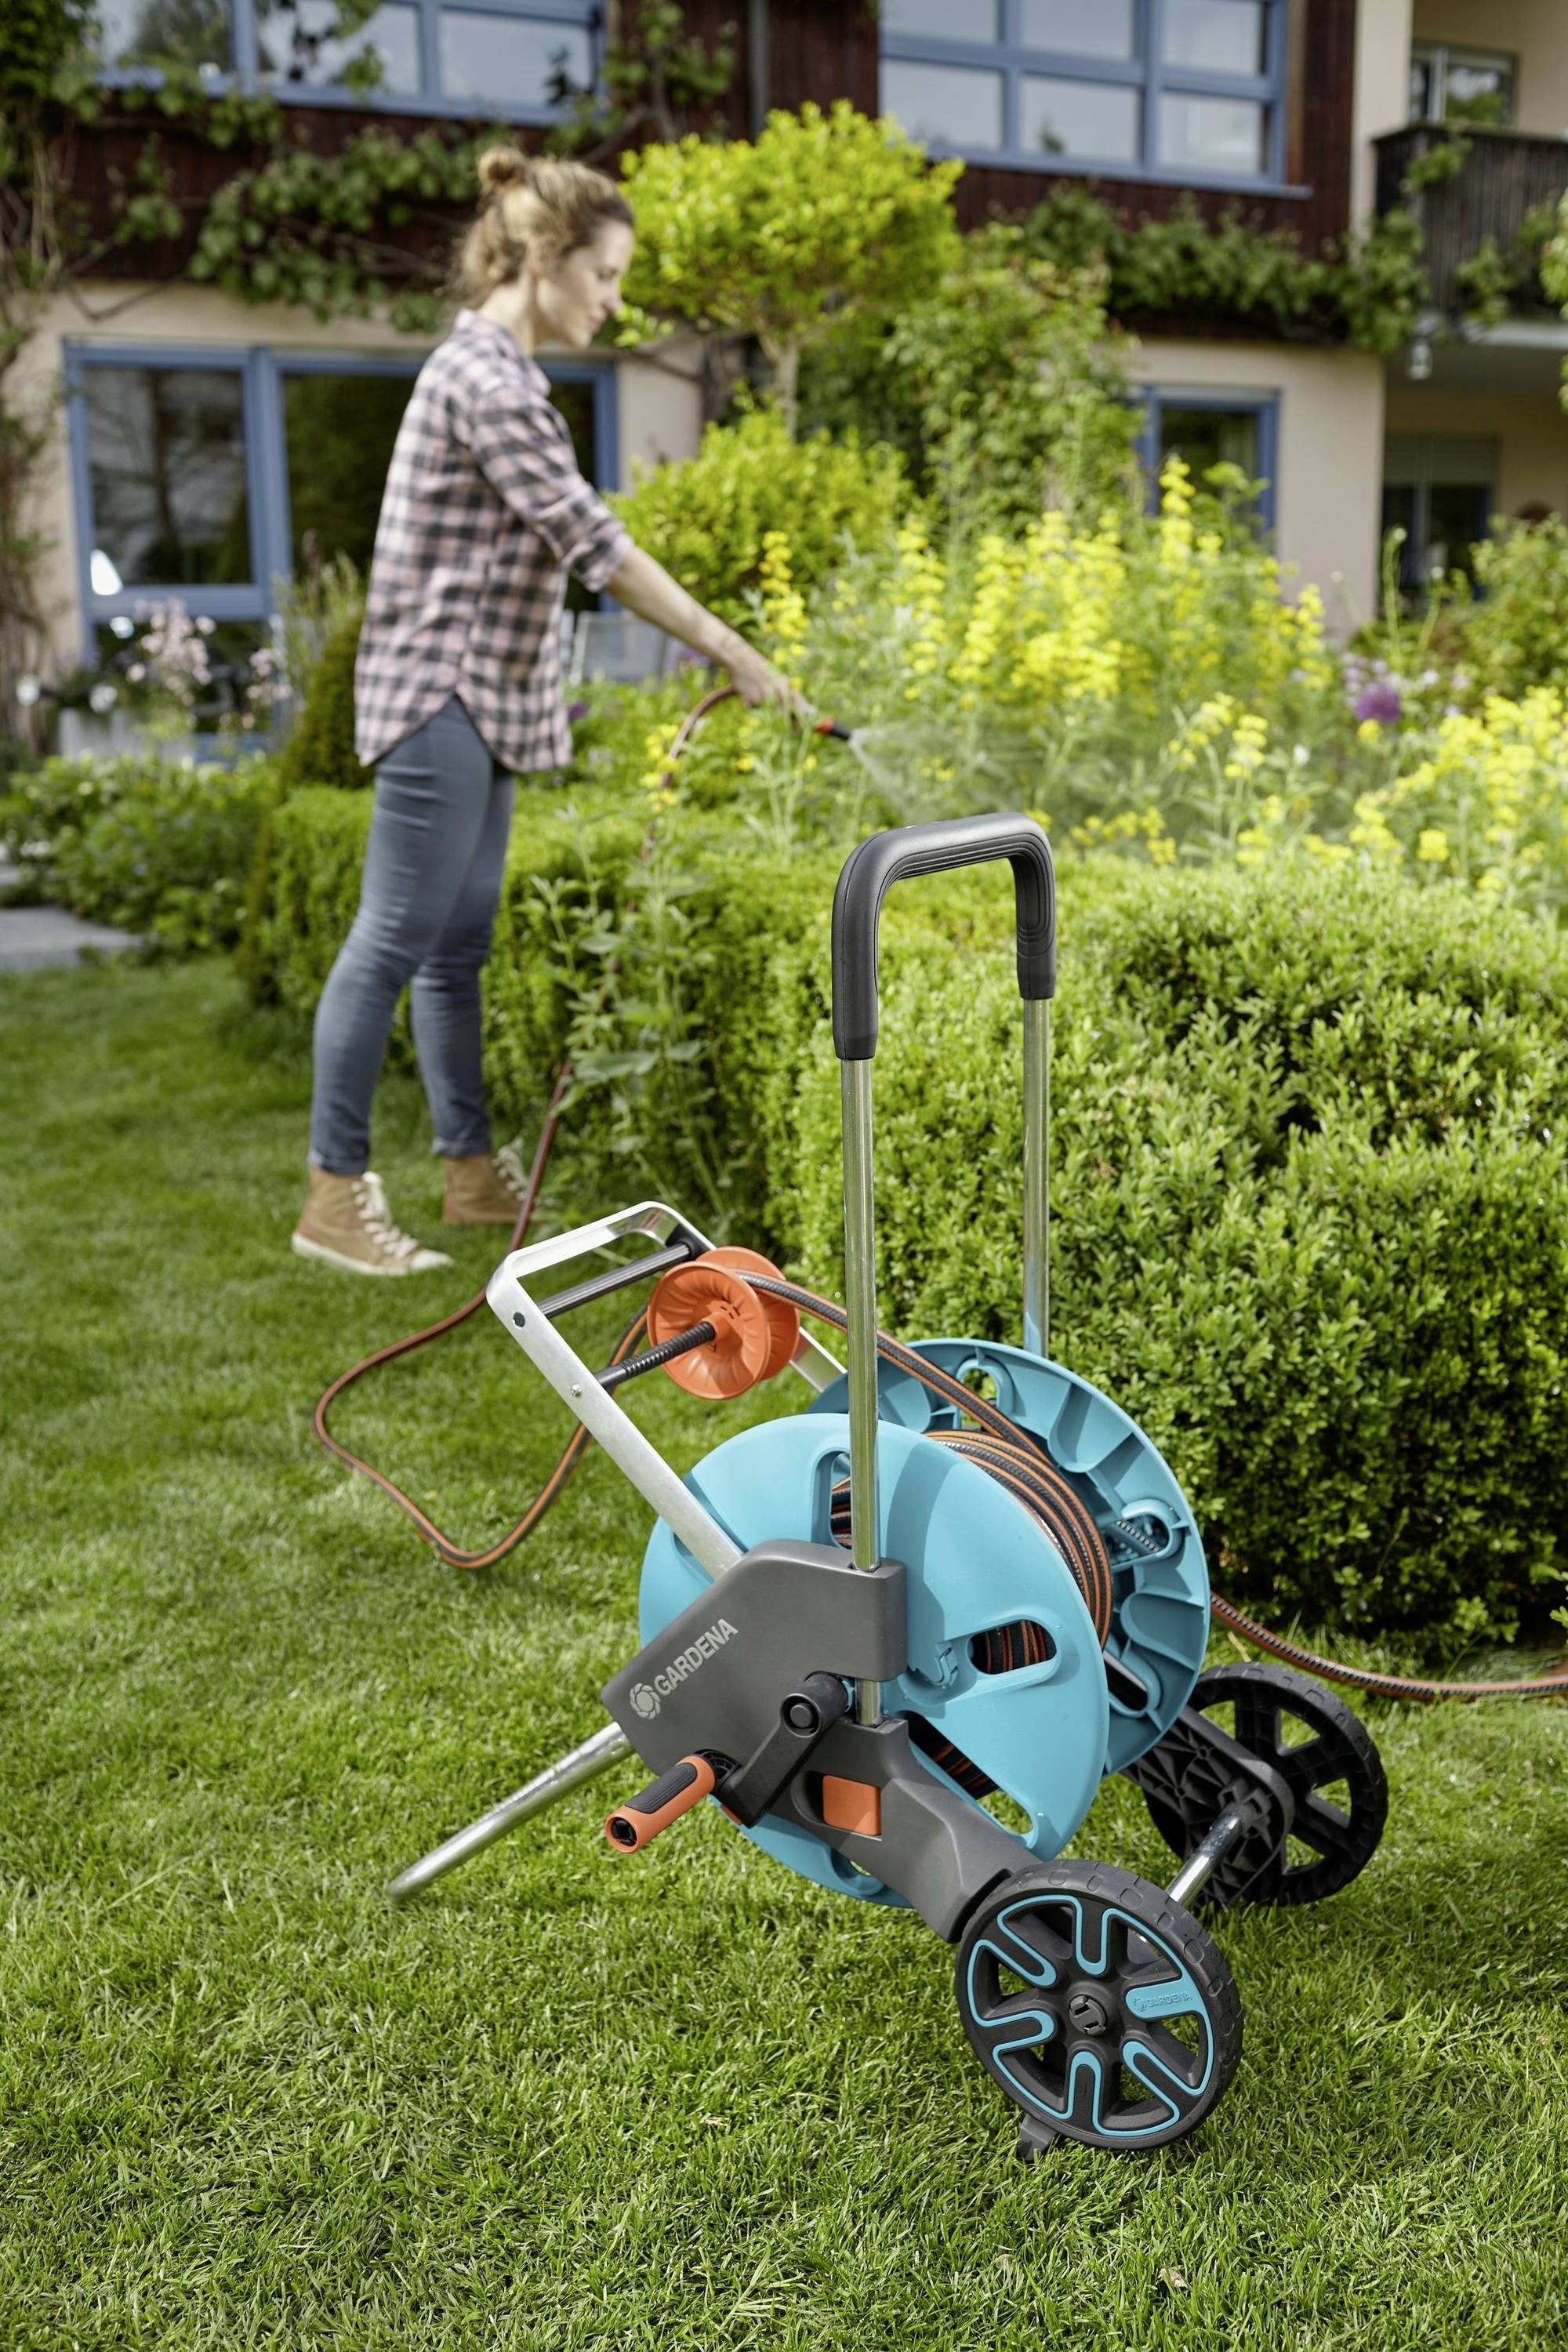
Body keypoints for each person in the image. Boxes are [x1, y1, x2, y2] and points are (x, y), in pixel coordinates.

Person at [293, 146, 792, 1276]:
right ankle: (333, 1195)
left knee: (454, 945)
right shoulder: (484, 379)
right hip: (443, 692)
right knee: (393, 939)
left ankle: (468, 1175)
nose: (616, 302)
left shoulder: (511, 378)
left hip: (491, 696)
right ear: (543, 258)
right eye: (606, 276)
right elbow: (596, 546)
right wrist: (729, 647)